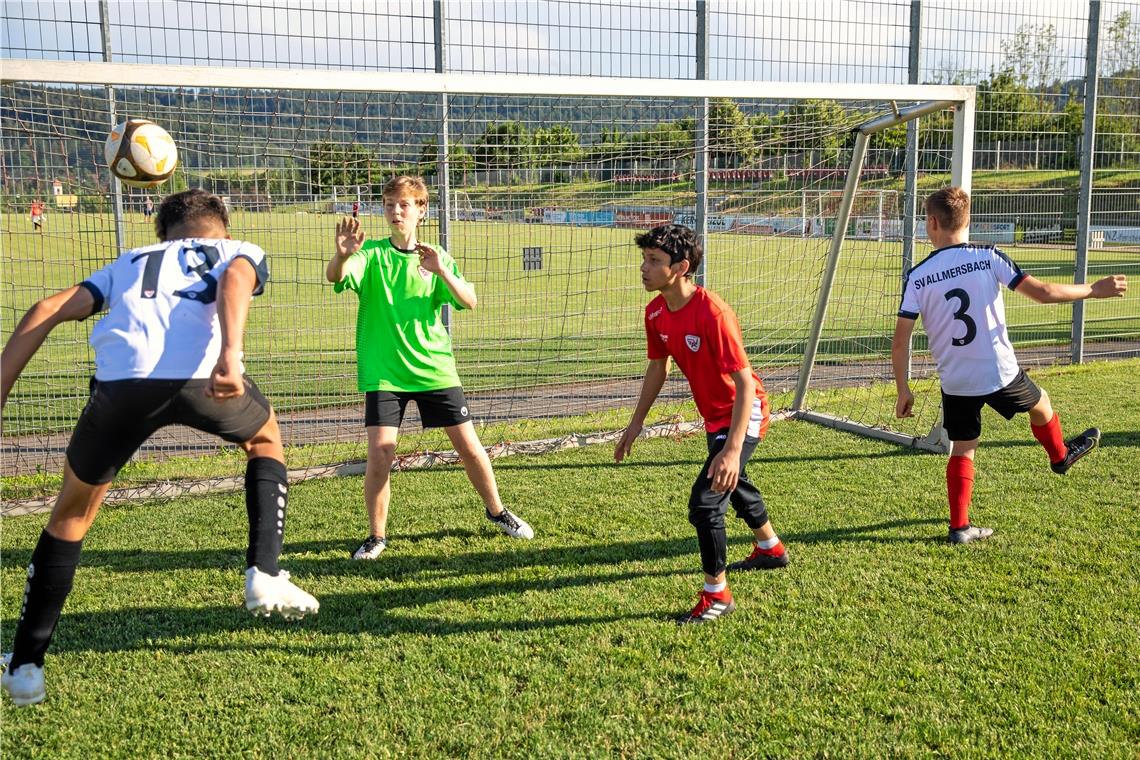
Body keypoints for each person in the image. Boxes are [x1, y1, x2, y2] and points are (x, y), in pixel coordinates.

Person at [0, 189, 319, 707]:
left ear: (163, 235)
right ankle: (264, 572)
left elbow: (48, 307)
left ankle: (26, 667)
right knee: (264, 439)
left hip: (123, 385)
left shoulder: (128, 261)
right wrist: (231, 355)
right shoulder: (237, 247)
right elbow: (237, 277)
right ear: (222, 226)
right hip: (204, 379)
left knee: (71, 518)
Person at [893, 187, 1128, 544]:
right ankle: (1060, 456)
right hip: (999, 372)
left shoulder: (918, 275)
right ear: (967, 221)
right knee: (1042, 404)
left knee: (963, 447)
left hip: (955, 379)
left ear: (932, 222)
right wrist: (1094, 290)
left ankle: (959, 528)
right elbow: (1044, 292)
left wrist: (903, 389)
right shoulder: (988, 256)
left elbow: (901, 340)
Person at [326, 175, 534, 560]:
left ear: (421, 210)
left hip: (434, 369)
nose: (395, 211)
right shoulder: (370, 255)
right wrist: (341, 255)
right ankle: (376, 536)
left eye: (404, 204)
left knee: (470, 448)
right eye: (389, 204)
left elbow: (469, 301)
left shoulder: (434, 256)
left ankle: (498, 512)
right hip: (385, 372)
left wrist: (443, 271)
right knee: (380, 454)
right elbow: (336, 276)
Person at [615, 224, 788, 625]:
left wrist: (731, 448)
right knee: (732, 480)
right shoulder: (655, 311)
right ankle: (770, 549)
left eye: (654, 261)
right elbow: (657, 370)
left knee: (706, 502)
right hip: (715, 418)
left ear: (681, 267)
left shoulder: (714, 313)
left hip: (745, 411)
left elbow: (745, 383)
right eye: (644, 259)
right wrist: (634, 424)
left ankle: (717, 595)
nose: (644, 267)